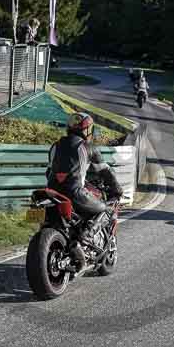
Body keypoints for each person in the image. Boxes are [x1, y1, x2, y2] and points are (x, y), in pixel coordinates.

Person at [47, 112, 122, 274]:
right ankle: (86, 236)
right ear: (87, 130)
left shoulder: (56, 145)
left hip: (51, 192)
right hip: (75, 193)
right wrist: (117, 189)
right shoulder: (88, 147)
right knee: (106, 210)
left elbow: (49, 171)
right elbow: (105, 172)